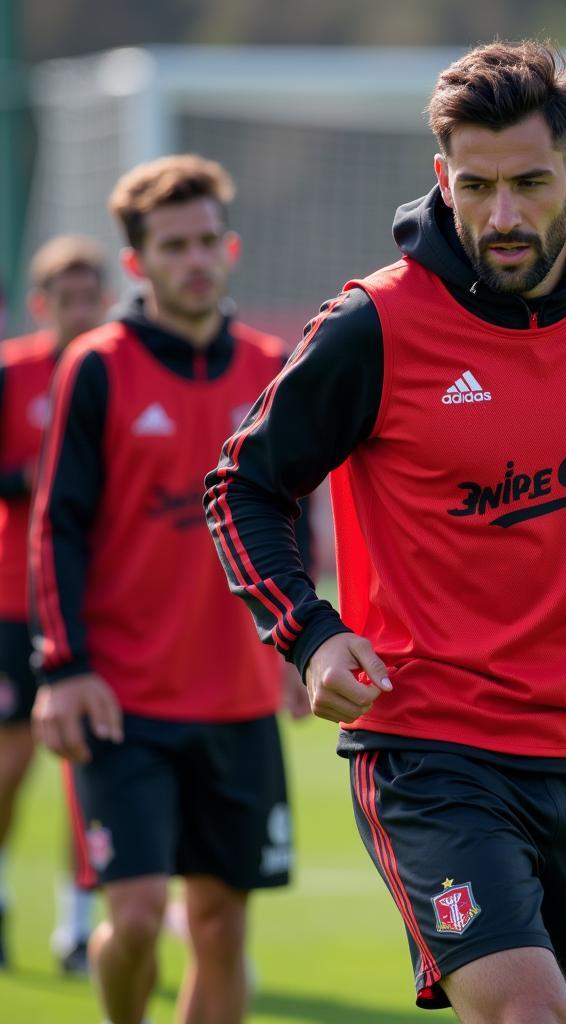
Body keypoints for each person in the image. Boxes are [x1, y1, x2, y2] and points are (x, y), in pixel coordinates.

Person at [204, 41, 566, 1024]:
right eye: (475, 186)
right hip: (435, 755)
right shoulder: (373, 325)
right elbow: (241, 487)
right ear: (442, 177)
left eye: (529, 181)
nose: (503, 214)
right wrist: (310, 634)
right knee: (531, 1013)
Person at [29, 155, 309, 1024]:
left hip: (237, 696)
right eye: (173, 246)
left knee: (222, 929)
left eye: (207, 242)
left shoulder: (272, 365)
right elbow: (56, 526)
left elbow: (296, 516)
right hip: (124, 700)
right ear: (138, 263)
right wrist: (64, 667)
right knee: (141, 918)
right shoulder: (99, 367)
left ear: (229, 248)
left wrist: (305, 643)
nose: (196, 261)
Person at [0, 235, 109, 971]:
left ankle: (77, 928)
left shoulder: (117, 370)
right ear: (42, 306)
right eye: (65, 299)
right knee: (10, 766)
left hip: (100, 601)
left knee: (92, 764)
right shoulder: (14, 374)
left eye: (89, 297)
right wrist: (34, 478)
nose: (79, 311)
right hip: (15, 600)